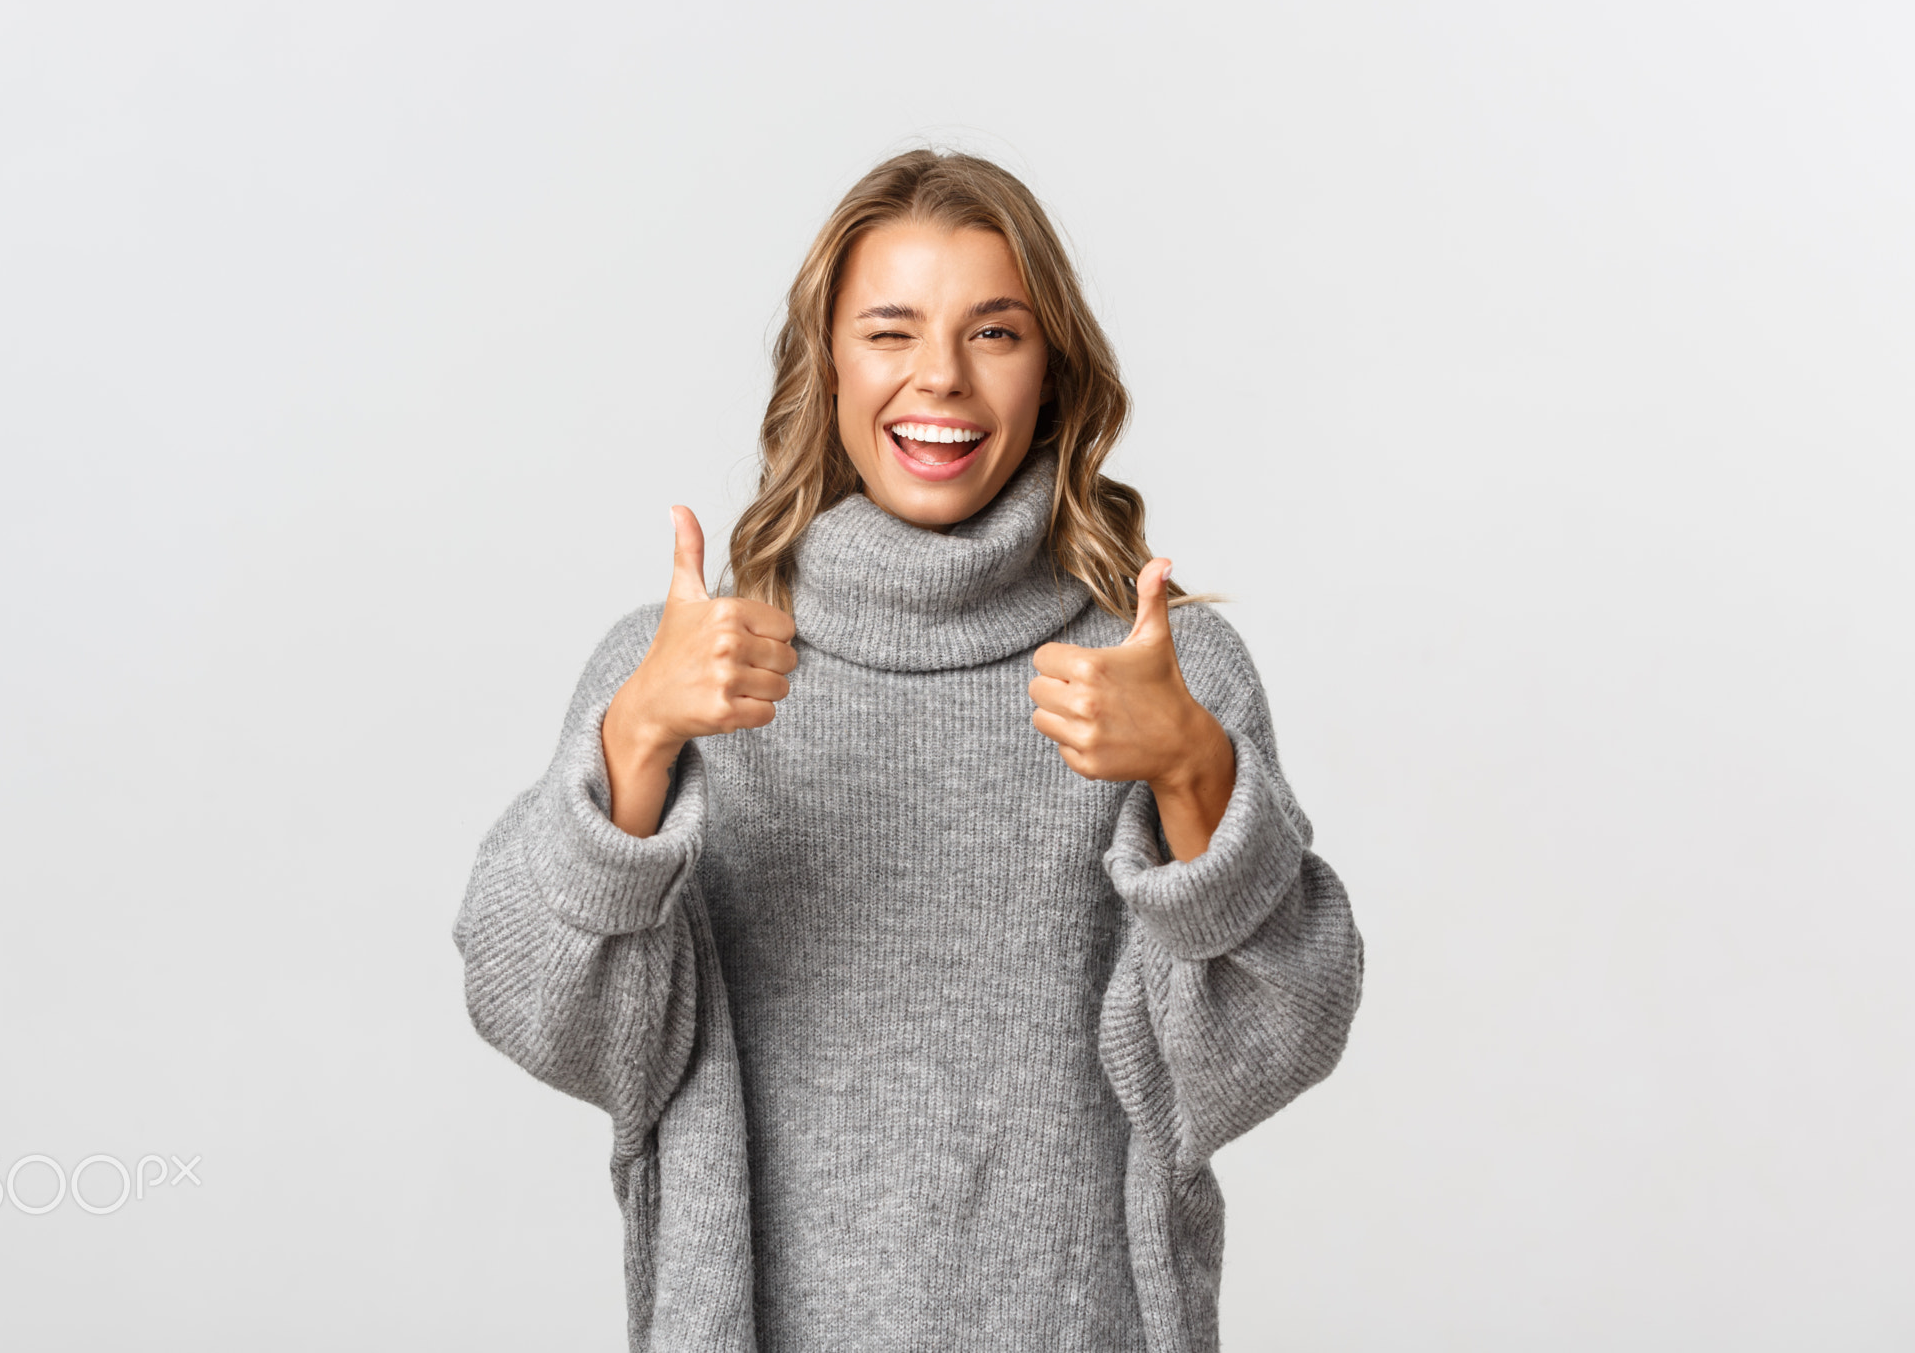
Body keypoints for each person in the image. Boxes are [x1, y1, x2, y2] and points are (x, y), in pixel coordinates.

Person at [452, 149, 1364, 1352]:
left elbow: (1261, 1054)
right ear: (824, 362)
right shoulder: (684, 667)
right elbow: (540, 1015)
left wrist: (1194, 772)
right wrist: (635, 739)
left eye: (994, 333)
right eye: (889, 331)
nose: (939, 377)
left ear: (1053, 372)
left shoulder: (1157, 672)